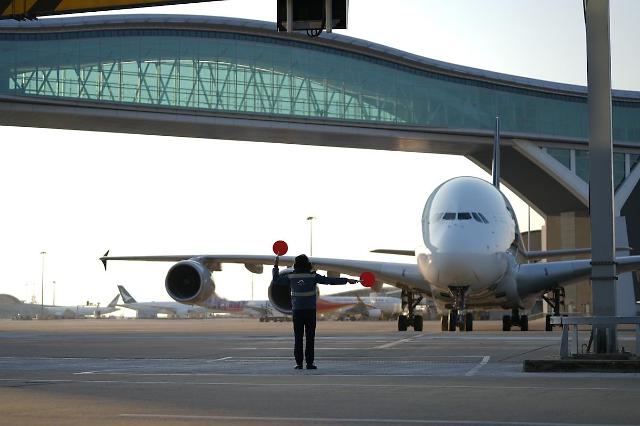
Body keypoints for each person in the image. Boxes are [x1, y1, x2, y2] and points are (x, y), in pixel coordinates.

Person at [273, 254, 357, 370]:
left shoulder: (291, 277)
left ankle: (298, 364)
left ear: (295, 264)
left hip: (297, 312)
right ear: (308, 264)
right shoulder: (312, 276)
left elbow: (276, 279)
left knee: (298, 338)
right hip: (310, 312)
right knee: (310, 338)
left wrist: (276, 265)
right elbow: (329, 281)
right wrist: (347, 280)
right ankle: (310, 363)